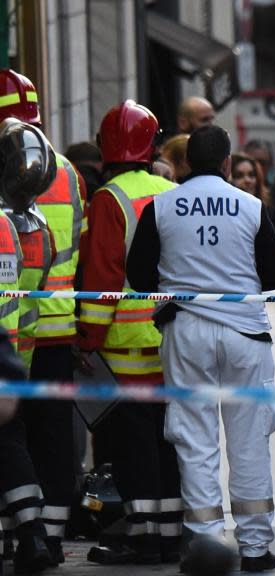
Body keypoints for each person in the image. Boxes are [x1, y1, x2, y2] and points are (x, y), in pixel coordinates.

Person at [126, 125, 275, 573]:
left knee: (195, 440)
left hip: (186, 331)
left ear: (183, 163)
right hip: (245, 335)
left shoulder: (160, 207)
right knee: (249, 440)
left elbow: (138, 276)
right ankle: (256, 548)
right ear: (225, 162)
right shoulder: (251, 206)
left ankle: (204, 547)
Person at [77, 100, 181, 564]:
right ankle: (171, 532)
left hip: (124, 349)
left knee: (133, 447)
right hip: (171, 341)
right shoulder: (170, 190)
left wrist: (87, 343)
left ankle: (143, 537)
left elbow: (102, 280)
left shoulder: (109, 198)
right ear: (152, 145)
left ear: (105, 148)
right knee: (167, 441)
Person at [0, 67, 88, 566]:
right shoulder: (67, 172)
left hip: (14, 329)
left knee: (13, 437)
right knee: (52, 437)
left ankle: (23, 535)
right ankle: (49, 534)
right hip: (52, 325)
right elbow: (74, 241)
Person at [0, 118, 58, 574]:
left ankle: (28, 535)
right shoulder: (38, 226)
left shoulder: (4, 225)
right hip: (23, 353)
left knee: (9, 444)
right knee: (13, 442)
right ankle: (29, 532)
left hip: (5, 350)